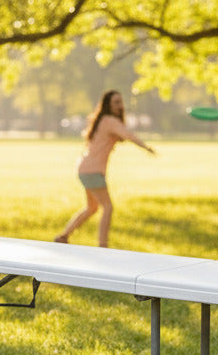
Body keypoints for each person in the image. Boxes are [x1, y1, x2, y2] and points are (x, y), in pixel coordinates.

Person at [54, 90, 156, 247]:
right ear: (107, 104)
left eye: (121, 102)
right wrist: (146, 147)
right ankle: (103, 246)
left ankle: (63, 236)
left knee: (92, 207)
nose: (120, 106)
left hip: (85, 169)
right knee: (107, 207)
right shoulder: (110, 121)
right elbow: (129, 135)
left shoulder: (102, 120)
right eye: (116, 102)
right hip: (93, 171)